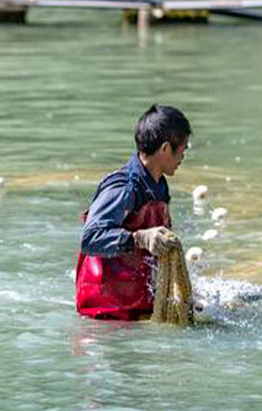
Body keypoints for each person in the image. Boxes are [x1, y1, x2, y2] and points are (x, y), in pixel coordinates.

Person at [76, 105, 192, 320]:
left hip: (137, 308)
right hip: (105, 314)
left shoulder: (159, 184)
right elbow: (89, 239)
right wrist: (140, 238)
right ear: (166, 149)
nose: (184, 154)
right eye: (184, 148)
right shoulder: (122, 188)